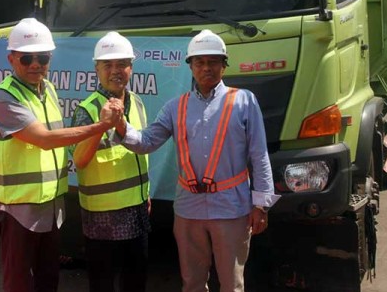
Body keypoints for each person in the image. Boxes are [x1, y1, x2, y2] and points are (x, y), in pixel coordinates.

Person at [113, 29, 280, 292]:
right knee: (191, 282)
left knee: (231, 284)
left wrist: (261, 204)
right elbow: (146, 142)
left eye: (213, 62)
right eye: (199, 62)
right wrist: (120, 125)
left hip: (231, 209)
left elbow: (259, 155)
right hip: (189, 209)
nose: (206, 68)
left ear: (224, 65)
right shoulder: (175, 107)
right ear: (190, 66)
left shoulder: (244, 101)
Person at [0, 18, 124, 292]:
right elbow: (45, 140)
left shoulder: (47, 89)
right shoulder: (3, 97)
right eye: (27, 58)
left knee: (48, 280)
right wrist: (102, 125)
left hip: (49, 206)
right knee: (19, 284)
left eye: (42, 56)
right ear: (11, 59)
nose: (36, 64)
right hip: (17, 209)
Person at [71, 31, 151, 292]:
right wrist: (102, 125)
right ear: (97, 69)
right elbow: (80, 160)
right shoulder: (87, 110)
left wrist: (144, 194)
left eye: (121, 64)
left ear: (131, 67)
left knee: (135, 281)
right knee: (103, 284)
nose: (115, 71)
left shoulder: (137, 102)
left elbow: (139, 151)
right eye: (108, 65)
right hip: (101, 218)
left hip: (137, 211)